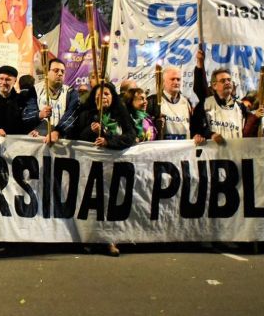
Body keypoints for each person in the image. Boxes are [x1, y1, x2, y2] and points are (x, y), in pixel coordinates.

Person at [72, 82, 135, 257]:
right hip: (92, 170)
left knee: (111, 204)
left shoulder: (121, 115)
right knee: (93, 205)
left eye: (107, 94)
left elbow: (130, 137)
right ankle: (91, 239)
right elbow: (76, 138)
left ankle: (110, 240)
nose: (103, 98)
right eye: (99, 95)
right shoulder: (86, 115)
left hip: (116, 168)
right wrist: (90, 131)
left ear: (113, 96)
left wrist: (107, 139)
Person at [191, 51, 248, 145]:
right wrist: (210, 135)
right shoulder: (205, 104)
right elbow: (196, 129)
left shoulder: (241, 106)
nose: (227, 83)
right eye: (223, 81)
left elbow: (249, 131)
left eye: (229, 80)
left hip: (236, 155)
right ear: (214, 86)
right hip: (213, 156)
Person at [22, 57, 80, 143]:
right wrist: (40, 114)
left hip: (62, 142)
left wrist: (57, 132)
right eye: (56, 70)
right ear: (47, 72)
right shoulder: (34, 90)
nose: (60, 74)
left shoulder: (71, 92)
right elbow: (26, 115)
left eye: (62, 71)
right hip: (38, 140)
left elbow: (71, 116)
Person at [147, 66, 194, 140]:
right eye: (172, 79)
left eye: (178, 79)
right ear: (163, 81)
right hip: (162, 149)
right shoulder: (152, 101)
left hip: (183, 149)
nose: (176, 82)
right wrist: (155, 124)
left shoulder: (186, 102)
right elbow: (145, 128)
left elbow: (193, 127)